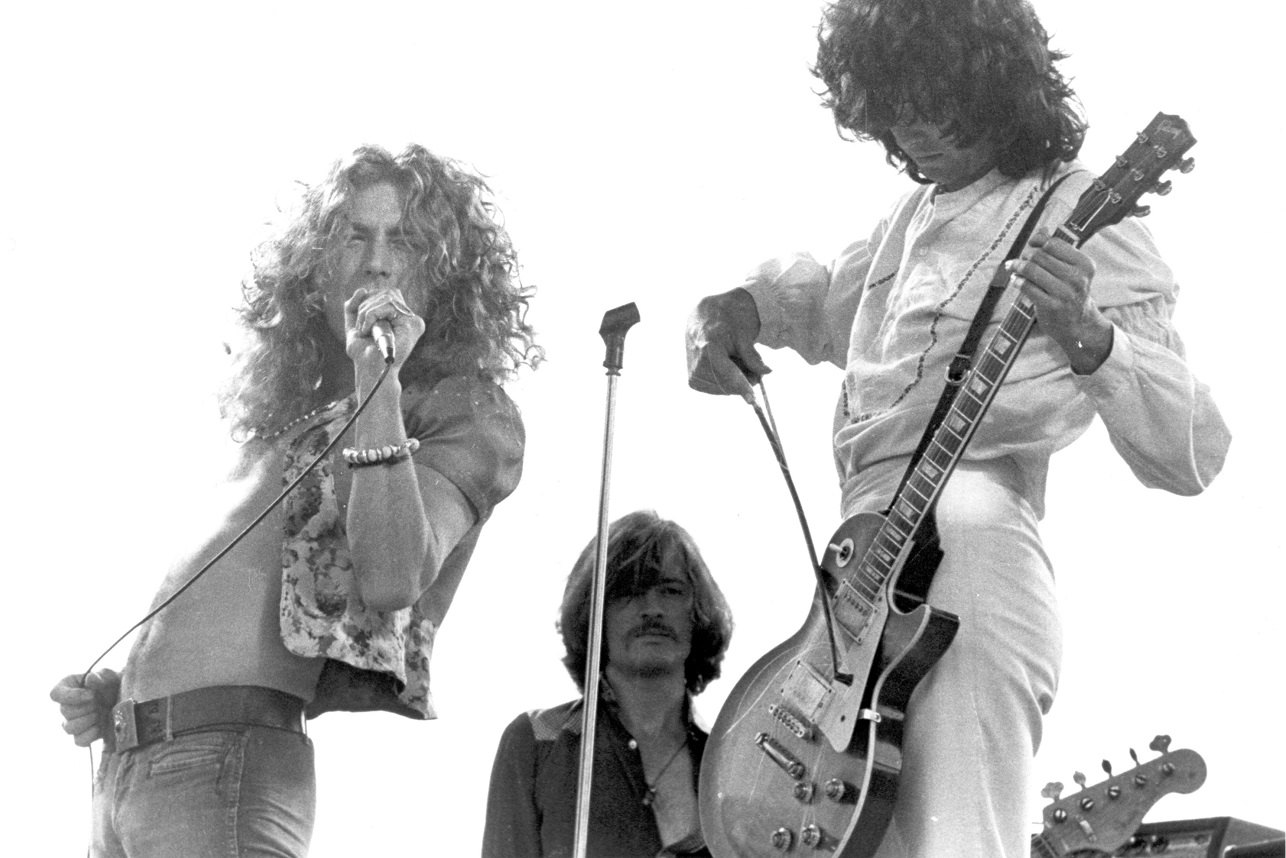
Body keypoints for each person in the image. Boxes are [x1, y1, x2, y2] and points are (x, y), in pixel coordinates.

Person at [684, 1, 1230, 857]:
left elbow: (1195, 450)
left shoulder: (1084, 210)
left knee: (960, 839)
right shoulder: (913, 216)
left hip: (972, 550)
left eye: (929, 102)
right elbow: (823, 298)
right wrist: (728, 313)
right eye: (890, 112)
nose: (910, 133)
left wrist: (1090, 335)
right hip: (860, 573)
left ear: (992, 85)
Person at [49, 143, 540, 857]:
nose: (376, 261)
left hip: (223, 768)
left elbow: (395, 573)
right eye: (353, 235)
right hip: (131, 772)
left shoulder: (461, 410)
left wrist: (381, 374)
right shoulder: (298, 412)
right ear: (316, 268)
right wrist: (126, 694)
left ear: (445, 273)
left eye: (403, 240)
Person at [482, 510, 734, 858]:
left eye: (671, 590)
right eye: (629, 592)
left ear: (698, 612)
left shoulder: (732, 760)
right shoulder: (537, 743)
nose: (652, 609)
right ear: (595, 613)